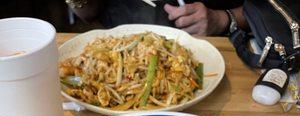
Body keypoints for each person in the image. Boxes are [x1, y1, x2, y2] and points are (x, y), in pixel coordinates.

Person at [66, 0, 247, 36]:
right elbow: (89, 14)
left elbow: (272, 8)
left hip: (220, 43)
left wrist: (225, 19)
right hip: (120, 42)